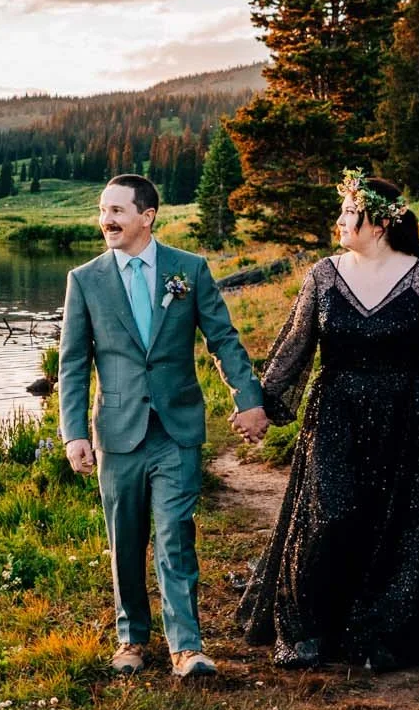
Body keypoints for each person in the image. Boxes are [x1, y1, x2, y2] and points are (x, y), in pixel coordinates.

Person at [236, 171, 419, 672]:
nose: (341, 221)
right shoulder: (323, 275)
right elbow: (294, 348)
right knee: (332, 512)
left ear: (383, 222)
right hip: (334, 415)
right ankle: (309, 630)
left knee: (395, 526)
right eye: (343, 212)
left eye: (351, 213)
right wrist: (260, 404)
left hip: (403, 419)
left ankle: (380, 632)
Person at [59, 174, 267, 679]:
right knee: (125, 538)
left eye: (117, 211)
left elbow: (223, 339)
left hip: (176, 428)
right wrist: (74, 433)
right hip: (118, 431)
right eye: (102, 210)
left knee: (175, 534)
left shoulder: (188, 270)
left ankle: (186, 647)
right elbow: (73, 364)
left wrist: (249, 400)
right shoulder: (84, 280)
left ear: (146, 216)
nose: (106, 220)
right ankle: (131, 639)